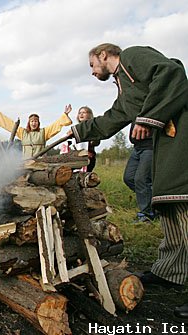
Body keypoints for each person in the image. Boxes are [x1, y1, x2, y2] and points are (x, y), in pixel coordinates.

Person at [68, 43, 187, 318]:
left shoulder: (132, 57)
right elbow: (114, 118)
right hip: (165, 144)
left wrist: (149, 117)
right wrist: (78, 130)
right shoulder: (124, 88)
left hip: (181, 134)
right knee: (169, 206)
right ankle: (171, 271)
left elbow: (170, 72)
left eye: (91, 65)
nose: (92, 72)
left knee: (184, 203)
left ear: (103, 55)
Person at [0, 105, 73, 159]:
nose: (34, 123)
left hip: (40, 163)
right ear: (29, 123)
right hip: (26, 163)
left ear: (38, 123)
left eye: (36, 121)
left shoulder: (44, 132)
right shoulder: (23, 132)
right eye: (32, 121)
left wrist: (65, 114)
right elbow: (10, 125)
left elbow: (56, 125)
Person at [123, 122, 155, 223]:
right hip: (137, 146)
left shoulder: (150, 106)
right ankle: (154, 203)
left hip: (150, 146)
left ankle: (146, 215)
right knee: (129, 178)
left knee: (142, 179)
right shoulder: (134, 107)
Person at [60, 106, 100, 172]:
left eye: (84, 112)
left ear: (89, 115)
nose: (81, 114)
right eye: (79, 113)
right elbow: (68, 140)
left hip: (88, 158)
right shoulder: (75, 129)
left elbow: (96, 142)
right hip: (76, 157)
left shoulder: (92, 128)